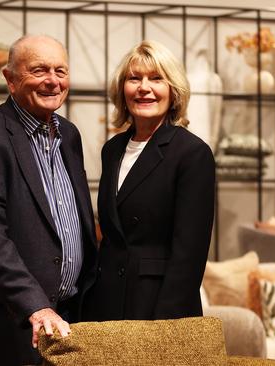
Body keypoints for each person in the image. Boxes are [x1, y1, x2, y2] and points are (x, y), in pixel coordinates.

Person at [0, 34, 97, 366]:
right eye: (39, 70)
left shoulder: (70, 135)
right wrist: (34, 305)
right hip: (9, 324)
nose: (53, 81)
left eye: (61, 70)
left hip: (66, 321)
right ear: (10, 79)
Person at [82, 40, 215, 322]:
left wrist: (164, 326)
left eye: (156, 78)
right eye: (134, 78)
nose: (144, 87)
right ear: (122, 89)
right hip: (107, 304)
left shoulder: (192, 154)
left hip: (158, 308)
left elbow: (189, 255)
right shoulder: (112, 149)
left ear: (173, 91)